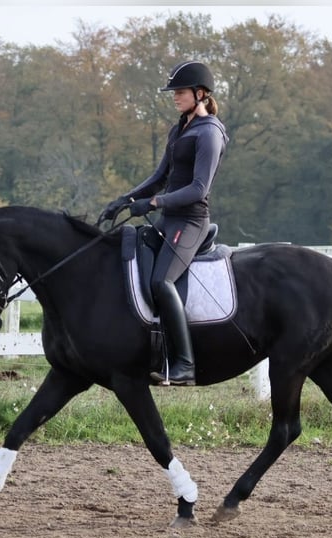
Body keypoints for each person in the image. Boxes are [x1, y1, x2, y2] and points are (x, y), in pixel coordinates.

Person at [100, 60, 229, 386]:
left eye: (180, 92)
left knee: (161, 282)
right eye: (174, 92)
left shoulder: (209, 133)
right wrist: (125, 200)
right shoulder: (179, 129)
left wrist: (154, 202)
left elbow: (198, 189)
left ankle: (184, 365)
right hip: (168, 219)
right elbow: (159, 178)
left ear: (200, 94)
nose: (175, 97)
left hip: (191, 221)